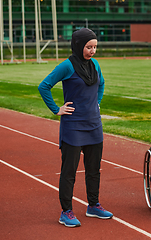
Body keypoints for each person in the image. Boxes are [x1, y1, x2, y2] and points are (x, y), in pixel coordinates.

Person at [38, 28, 112, 227]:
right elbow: (43, 86)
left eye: (95, 47)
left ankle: (93, 205)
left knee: (94, 169)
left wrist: (97, 102)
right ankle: (66, 211)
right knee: (69, 171)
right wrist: (56, 109)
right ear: (79, 46)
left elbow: (101, 84)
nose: (93, 51)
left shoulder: (95, 64)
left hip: (94, 124)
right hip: (73, 126)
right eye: (89, 47)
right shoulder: (67, 66)